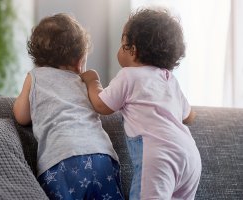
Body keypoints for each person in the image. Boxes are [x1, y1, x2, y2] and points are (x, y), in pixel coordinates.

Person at [81, 8, 201, 200]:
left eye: (122, 44)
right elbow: (189, 116)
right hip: (190, 156)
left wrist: (92, 81)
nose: (119, 50)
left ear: (133, 50)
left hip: (159, 157)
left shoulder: (129, 75)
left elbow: (102, 105)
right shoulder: (169, 79)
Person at [13, 13, 124, 200]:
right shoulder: (84, 81)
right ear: (80, 61)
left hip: (61, 161)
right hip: (102, 157)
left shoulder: (35, 77)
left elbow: (21, 116)